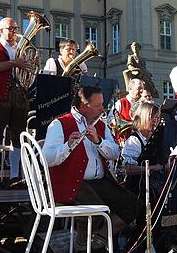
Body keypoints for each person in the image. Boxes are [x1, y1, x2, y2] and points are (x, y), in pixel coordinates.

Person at [42, 85, 136, 236]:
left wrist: (99, 142)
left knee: (132, 205)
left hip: (100, 182)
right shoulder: (59, 124)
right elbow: (46, 159)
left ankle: (98, 242)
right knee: (96, 212)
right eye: (97, 105)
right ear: (83, 106)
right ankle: (82, 248)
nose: (102, 109)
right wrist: (68, 146)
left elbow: (115, 153)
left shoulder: (100, 124)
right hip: (72, 183)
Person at [0, 17, 31, 185]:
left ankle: (15, 175)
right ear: (1, 30)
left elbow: (27, 75)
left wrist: (31, 65)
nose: (14, 32)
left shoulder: (20, 48)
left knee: (18, 136)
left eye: (16, 28)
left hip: (19, 97)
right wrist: (13, 63)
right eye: (10, 28)